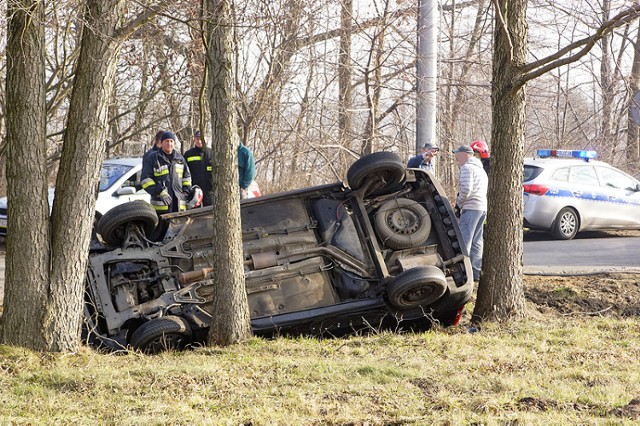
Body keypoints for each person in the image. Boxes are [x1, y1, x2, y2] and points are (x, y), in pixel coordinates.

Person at [453, 144, 488, 282]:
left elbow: (466, 190)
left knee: (464, 241)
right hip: (481, 208)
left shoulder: (467, 168)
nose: (456, 158)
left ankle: (464, 273)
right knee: (477, 241)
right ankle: (475, 272)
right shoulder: (481, 169)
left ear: (465, 154)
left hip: (471, 207)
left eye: (457, 155)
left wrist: (458, 204)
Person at [141, 131, 192, 214]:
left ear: (174, 143)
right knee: (162, 227)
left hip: (179, 206)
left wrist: (186, 192)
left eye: (171, 141)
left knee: (180, 227)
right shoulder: (153, 158)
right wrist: (160, 191)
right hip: (160, 207)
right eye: (166, 141)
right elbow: (145, 180)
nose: (169, 144)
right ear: (161, 143)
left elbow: (187, 178)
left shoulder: (180, 159)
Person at [184, 130, 213, 206]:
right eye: (197, 139)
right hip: (194, 191)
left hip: (210, 192)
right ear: (194, 139)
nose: (199, 141)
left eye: (201, 138)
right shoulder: (188, 154)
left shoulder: (212, 153)